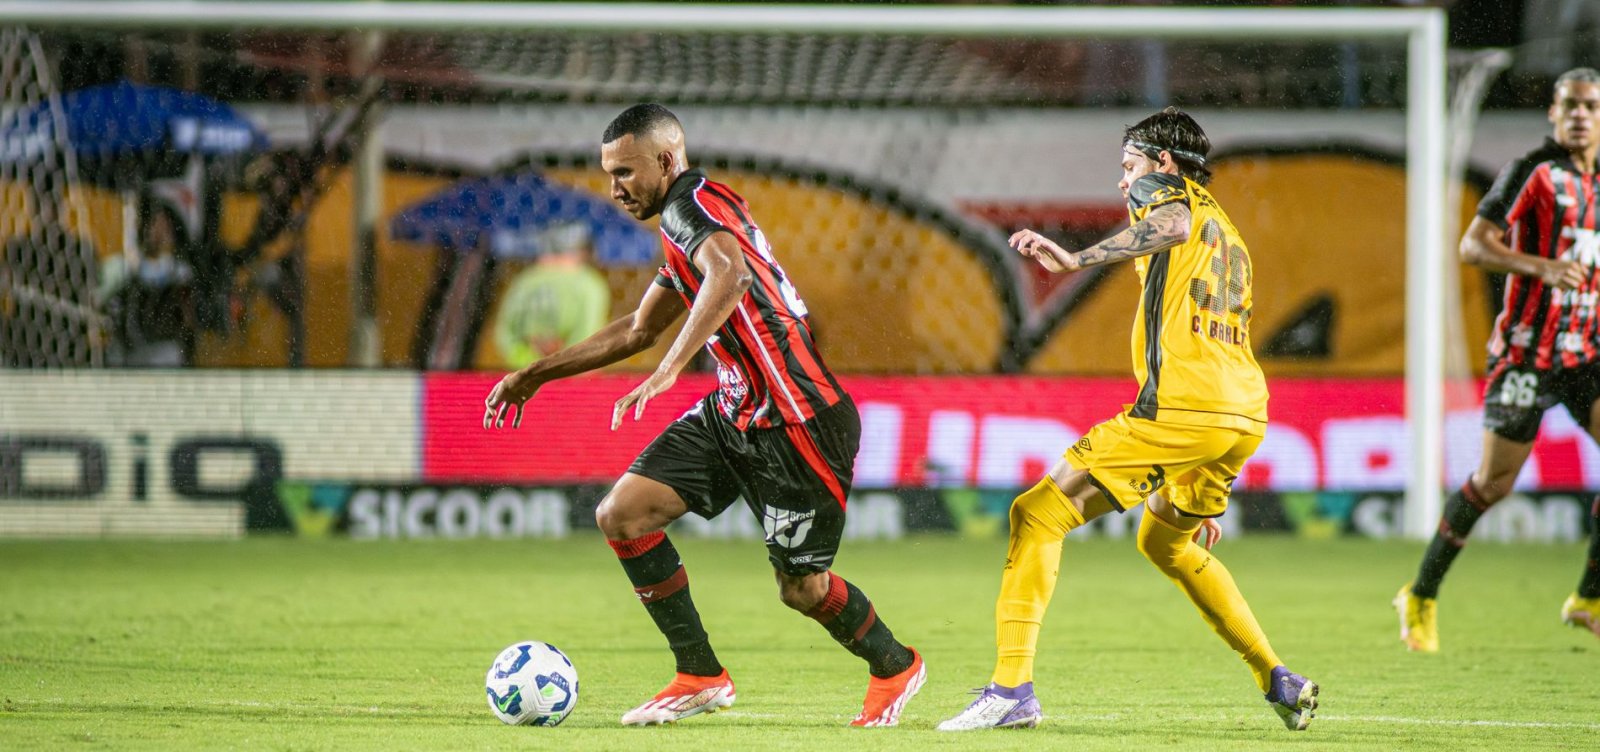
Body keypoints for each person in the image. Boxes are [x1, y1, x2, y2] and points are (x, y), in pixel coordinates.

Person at [482, 103, 925, 727]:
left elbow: (731, 275)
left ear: (666, 161)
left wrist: (670, 369)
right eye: (609, 174)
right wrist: (535, 374)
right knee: (622, 513)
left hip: (799, 421)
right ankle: (699, 674)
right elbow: (638, 329)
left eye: (625, 172)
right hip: (734, 410)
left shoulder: (690, 207)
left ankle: (894, 665)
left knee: (802, 589)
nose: (615, 188)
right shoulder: (689, 220)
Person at [938, 107, 1318, 733]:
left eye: (1130, 165)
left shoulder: (1165, 193)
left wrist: (1074, 260)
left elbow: (1169, 222)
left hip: (1184, 408)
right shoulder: (1227, 228)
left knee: (1037, 514)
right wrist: (1195, 455)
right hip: (1241, 414)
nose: (1124, 181)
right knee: (1164, 542)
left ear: (1164, 162)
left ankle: (1011, 690)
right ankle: (1277, 677)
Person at [1396, 67, 1600, 651]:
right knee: (1492, 484)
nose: (1580, 115)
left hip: (1585, 352)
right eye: (1570, 105)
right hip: (1526, 355)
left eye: (1590, 106)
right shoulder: (1533, 170)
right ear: (1553, 113)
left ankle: (1587, 598)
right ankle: (1420, 593)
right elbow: (1473, 245)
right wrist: (1541, 267)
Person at [489, 222, 610, 369]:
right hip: (571, 371)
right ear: (583, 251)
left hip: (526, 372)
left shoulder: (525, 280)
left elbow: (506, 332)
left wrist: (527, 362)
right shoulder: (590, 283)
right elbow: (588, 334)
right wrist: (561, 365)